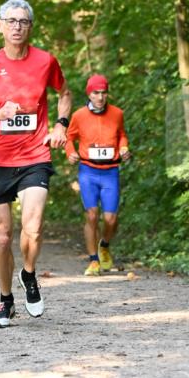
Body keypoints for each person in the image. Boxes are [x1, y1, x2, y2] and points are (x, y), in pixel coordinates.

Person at [0, 0, 72, 327]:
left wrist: (60, 125)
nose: (17, 27)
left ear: (30, 27)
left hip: (35, 155)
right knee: (1, 236)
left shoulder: (45, 61)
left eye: (23, 21)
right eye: (11, 21)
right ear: (0, 26)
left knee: (33, 227)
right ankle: (5, 300)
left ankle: (28, 273)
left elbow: (64, 93)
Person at [66, 74, 130, 275]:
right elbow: (69, 138)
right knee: (92, 215)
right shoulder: (79, 115)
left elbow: (122, 135)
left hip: (110, 171)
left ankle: (104, 245)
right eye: (96, 93)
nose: (100, 97)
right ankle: (93, 260)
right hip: (88, 171)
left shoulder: (117, 113)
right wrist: (70, 152)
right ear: (89, 94)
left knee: (110, 218)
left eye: (103, 93)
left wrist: (124, 147)